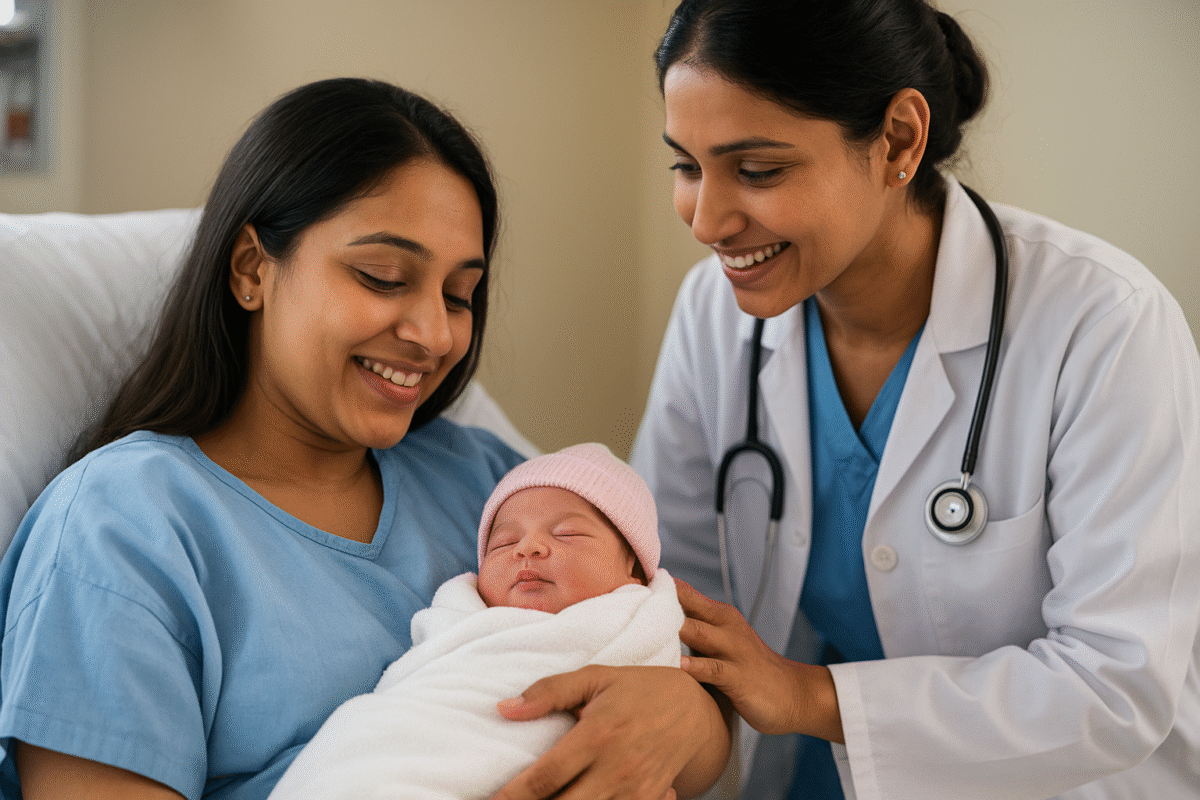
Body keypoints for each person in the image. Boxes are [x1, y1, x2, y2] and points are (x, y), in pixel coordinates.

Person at [0, 78, 727, 800]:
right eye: (382, 277)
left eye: (458, 295)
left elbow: (675, 652)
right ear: (252, 269)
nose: (433, 335)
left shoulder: (498, 490)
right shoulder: (122, 527)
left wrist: (686, 718)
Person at [630, 2, 1200, 799]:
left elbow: (1114, 687)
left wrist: (804, 695)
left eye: (757, 170)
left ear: (898, 140)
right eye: (686, 167)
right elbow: (675, 588)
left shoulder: (1104, 325)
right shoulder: (713, 314)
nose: (707, 221)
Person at [269, 443, 690, 799]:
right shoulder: (459, 619)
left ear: (634, 567)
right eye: (505, 542)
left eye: (566, 534)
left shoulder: (639, 620)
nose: (529, 548)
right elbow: (410, 702)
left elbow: (678, 716)